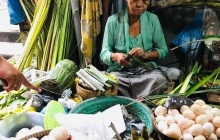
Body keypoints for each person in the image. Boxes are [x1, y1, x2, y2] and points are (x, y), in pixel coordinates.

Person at [100, 0, 168, 99]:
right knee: (109, 83)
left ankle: (135, 103)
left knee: (159, 80)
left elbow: (163, 50)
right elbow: (104, 53)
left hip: (146, 72)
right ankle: (137, 102)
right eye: (135, 0)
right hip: (121, 73)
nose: (140, 4)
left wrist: (146, 55)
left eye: (145, 1)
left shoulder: (153, 19)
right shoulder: (113, 21)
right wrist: (116, 56)